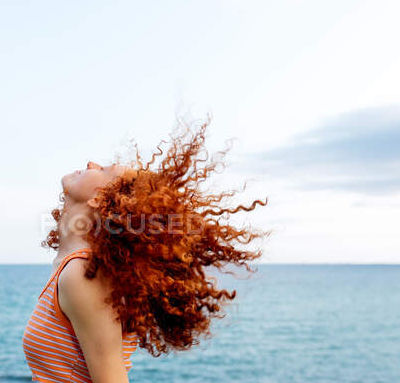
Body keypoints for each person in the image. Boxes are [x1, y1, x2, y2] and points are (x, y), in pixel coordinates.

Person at [22, 116, 269, 383]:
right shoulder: (72, 265)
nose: (91, 163)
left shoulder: (82, 275)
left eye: (104, 169)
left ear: (100, 198)